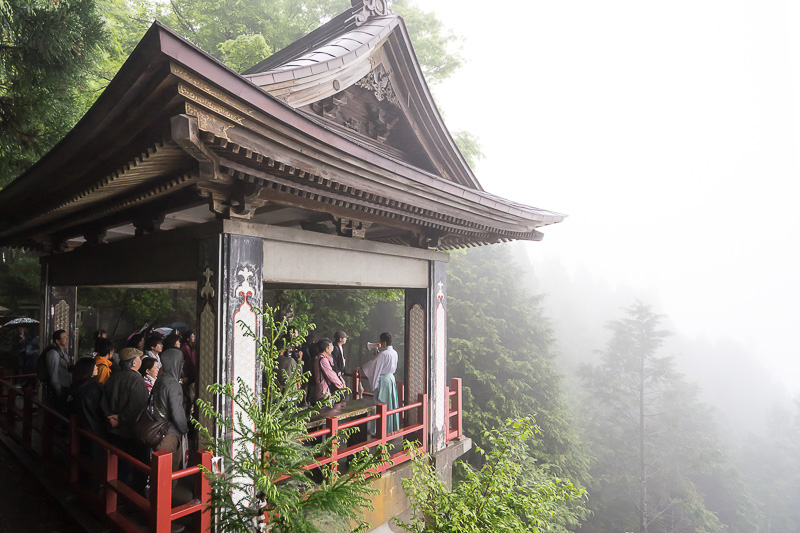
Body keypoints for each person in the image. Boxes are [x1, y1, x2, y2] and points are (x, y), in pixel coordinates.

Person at [101, 347, 149, 493]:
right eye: (139, 359)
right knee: (138, 466)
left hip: (114, 429)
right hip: (130, 431)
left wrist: (110, 417)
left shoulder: (114, 376)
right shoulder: (136, 379)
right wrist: (121, 419)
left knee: (117, 465)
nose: (140, 361)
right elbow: (137, 407)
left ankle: (116, 496)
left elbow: (103, 400)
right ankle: (135, 498)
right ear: (134, 363)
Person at [152, 347, 189, 473]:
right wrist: (185, 428)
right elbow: (177, 413)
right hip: (169, 435)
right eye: (181, 361)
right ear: (175, 362)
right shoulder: (173, 385)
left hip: (157, 431)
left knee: (159, 473)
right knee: (168, 475)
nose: (183, 364)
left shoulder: (160, 380)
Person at [357, 332, 399, 434]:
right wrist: (377, 352)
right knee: (390, 404)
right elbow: (380, 362)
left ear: (383, 342)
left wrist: (362, 368)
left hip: (383, 381)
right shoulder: (394, 352)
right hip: (390, 379)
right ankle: (390, 429)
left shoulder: (383, 354)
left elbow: (374, 364)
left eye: (380, 341)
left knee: (380, 404)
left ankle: (378, 430)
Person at [69, 357, 105, 436]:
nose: (96, 367)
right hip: (96, 428)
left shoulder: (76, 386)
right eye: (94, 365)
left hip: (81, 427)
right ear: (88, 369)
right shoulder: (95, 387)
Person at [44, 330, 72, 414]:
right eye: (64, 337)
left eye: (67, 337)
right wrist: (58, 389)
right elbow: (53, 373)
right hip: (58, 388)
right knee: (56, 411)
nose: (67, 339)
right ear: (57, 340)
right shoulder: (53, 353)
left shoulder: (63, 352)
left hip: (65, 386)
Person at [312, 338, 345, 405]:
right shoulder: (323, 360)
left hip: (327, 392)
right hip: (324, 393)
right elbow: (331, 375)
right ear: (326, 349)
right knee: (326, 414)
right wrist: (341, 386)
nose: (332, 348)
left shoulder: (325, 359)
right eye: (331, 346)